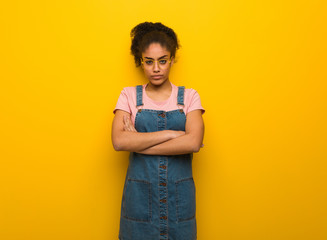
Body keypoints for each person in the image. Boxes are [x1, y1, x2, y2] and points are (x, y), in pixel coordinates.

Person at [111, 21, 205, 240]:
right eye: (149, 61)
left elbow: (192, 143)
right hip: (139, 204)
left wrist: (138, 141)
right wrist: (172, 133)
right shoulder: (128, 96)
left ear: (171, 60)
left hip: (178, 202)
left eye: (162, 61)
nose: (156, 68)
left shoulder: (190, 97)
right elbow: (119, 142)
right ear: (140, 62)